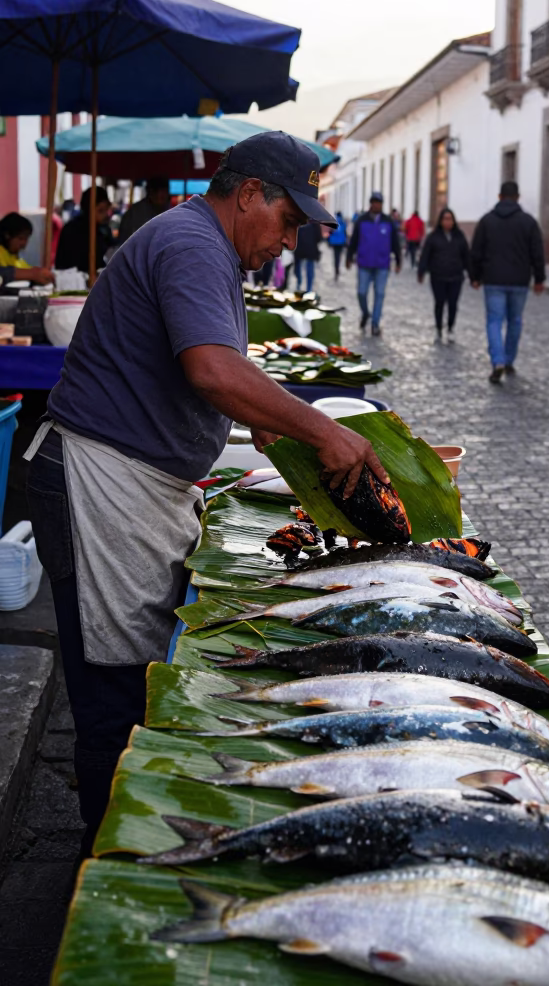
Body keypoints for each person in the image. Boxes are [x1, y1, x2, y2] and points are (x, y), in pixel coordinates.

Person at [24, 130, 389, 853]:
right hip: (103, 485)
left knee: (137, 681)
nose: (287, 243)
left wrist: (297, 452)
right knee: (114, 697)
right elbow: (214, 373)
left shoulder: (206, 246)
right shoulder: (192, 244)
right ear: (249, 192)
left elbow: (225, 384)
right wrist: (322, 431)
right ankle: (112, 863)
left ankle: (129, 839)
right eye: (288, 221)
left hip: (138, 487)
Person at [470, 181, 545, 383]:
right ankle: (509, 359)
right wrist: (539, 278)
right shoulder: (529, 222)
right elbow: (537, 253)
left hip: (493, 279)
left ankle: (498, 360)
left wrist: (475, 276)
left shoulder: (486, 221)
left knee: (494, 321)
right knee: (515, 320)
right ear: (517, 197)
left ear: (499, 196)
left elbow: (476, 251)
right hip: (519, 280)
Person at [346, 190, 401, 335]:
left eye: (379, 202)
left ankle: (375, 323)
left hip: (382, 264)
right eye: (374, 202)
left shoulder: (388, 221)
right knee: (361, 292)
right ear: (370, 204)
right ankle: (365, 313)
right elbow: (354, 240)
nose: (376, 205)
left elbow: (395, 242)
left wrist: (399, 260)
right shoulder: (362, 220)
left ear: (382, 204)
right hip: (364, 263)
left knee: (380, 294)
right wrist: (349, 256)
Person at [417, 207, 470, 342]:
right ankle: (439, 328)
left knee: (453, 303)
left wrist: (472, 273)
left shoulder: (459, 237)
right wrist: (421, 271)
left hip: (455, 276)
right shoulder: (433, 237)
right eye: (445, 219)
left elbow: (466, 256)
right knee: (439, 303)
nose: (447, 222)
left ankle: (451, 327)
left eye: (450, 219)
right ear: (440, 221)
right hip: (438, 276)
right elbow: (426, 255)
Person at [55, 186, 113, 273]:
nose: (105, 215)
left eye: (107, 210)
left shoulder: (103, 229)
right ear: (88, 209)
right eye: (100, 211)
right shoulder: (73, 230)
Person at [0, 213, 54, 284]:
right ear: (7, 235)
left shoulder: (14, 256)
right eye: (20, 238)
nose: (24, 243)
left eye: (26, 239)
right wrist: (32, 274)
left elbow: (26, 268)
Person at [117, 177, 170, 244]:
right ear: (151, 193)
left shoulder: (169, 211)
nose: (163, 197)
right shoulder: (135, 214)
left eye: (165, 193)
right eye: (161, 194)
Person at [293, 220, 323, 291]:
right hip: (310, 250)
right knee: (309, 269)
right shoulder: (315, 223)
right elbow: (319, 238)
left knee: (299, 268)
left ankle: (299, 284)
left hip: (300, 249)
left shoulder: (299, 220)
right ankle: (308, 289)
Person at [327, 210, 348, 280]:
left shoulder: (333, 222)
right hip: (341, 243)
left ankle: (336, 269)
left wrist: (329, 241)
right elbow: (345, 233)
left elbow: (330, 232)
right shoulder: (343, 222)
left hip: (335, 242)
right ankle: (337, 268)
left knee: (335, 257)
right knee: (339, 256)